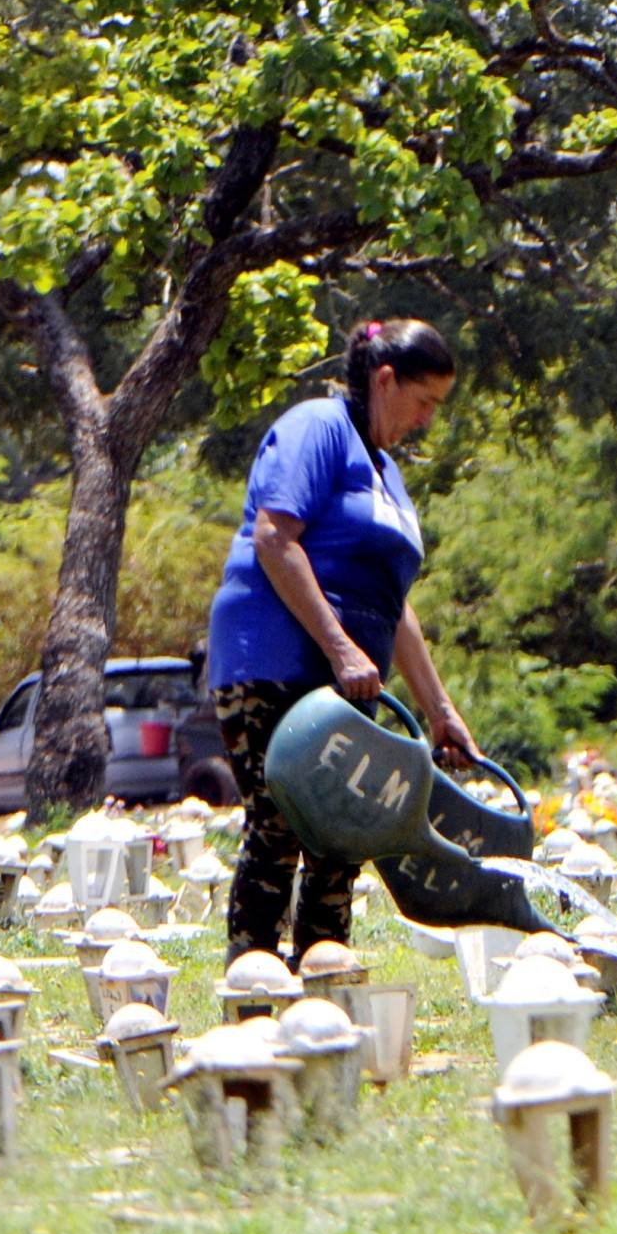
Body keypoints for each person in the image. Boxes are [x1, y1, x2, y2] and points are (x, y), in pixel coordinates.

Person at [205, 319, 481, 964]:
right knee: (279, 825)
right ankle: (255, 993)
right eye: (424, 402)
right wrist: (339, 647)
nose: (426, 421)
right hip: (274, 659)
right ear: (385, 380)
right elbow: (275, 537)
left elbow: (395, 604)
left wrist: (440, 711)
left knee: (341, 832)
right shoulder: (318, 428)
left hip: (346, 675)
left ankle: (325, 992)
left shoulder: (385, 471)